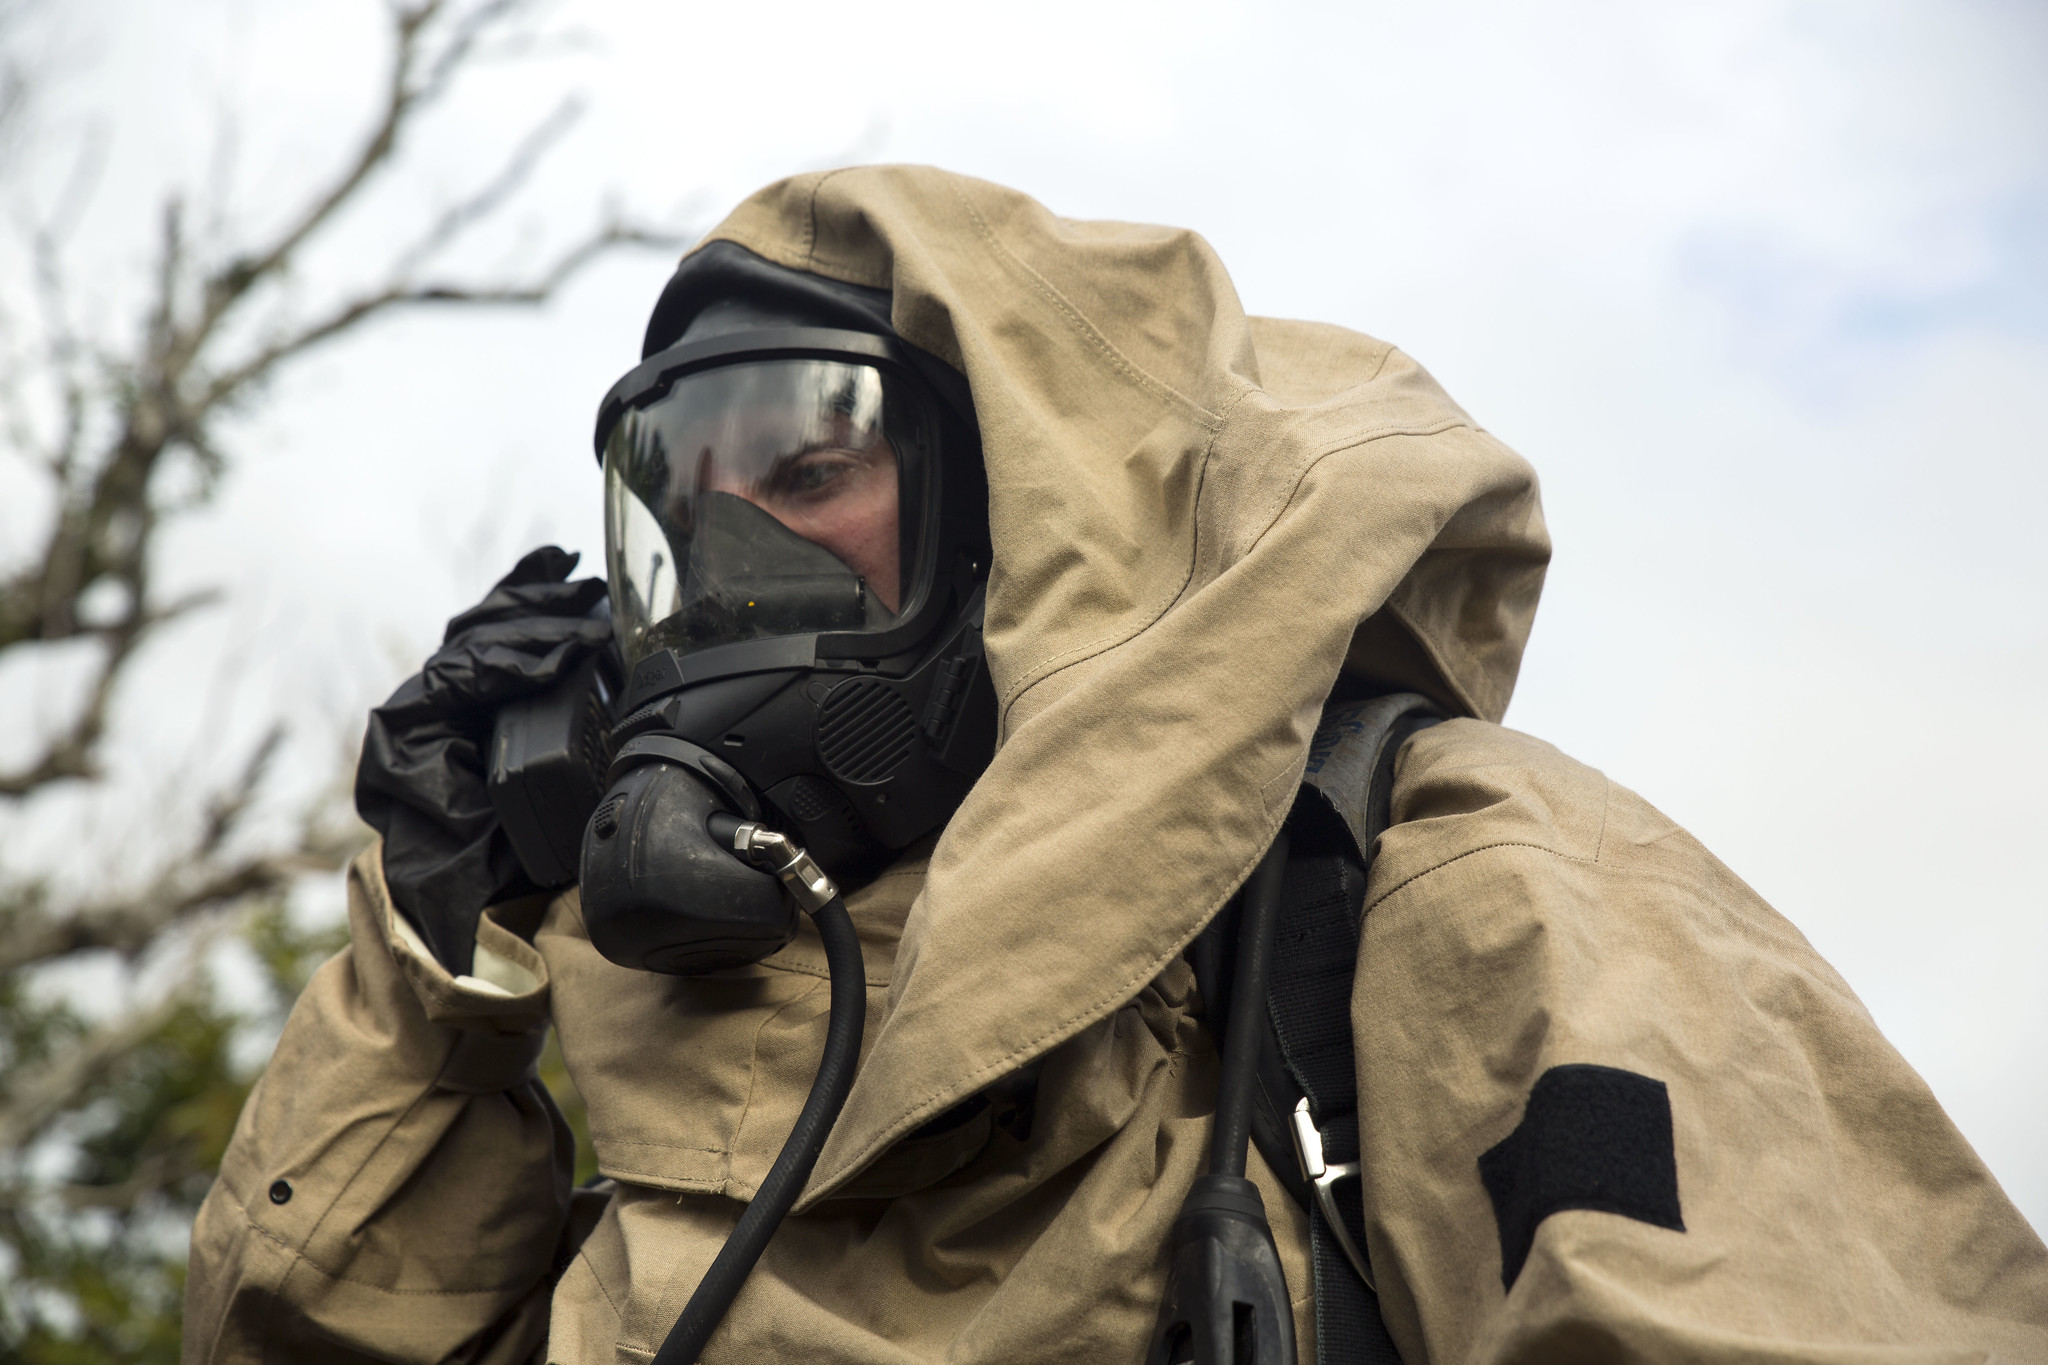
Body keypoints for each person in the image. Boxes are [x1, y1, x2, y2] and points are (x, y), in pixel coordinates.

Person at [183, 166, 2048, 1365]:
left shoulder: (1423, 871)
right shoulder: (682, 1001)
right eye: (685, 504)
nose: (738, 554)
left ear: (1029, 516)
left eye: (814, 467)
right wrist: (437, 945)